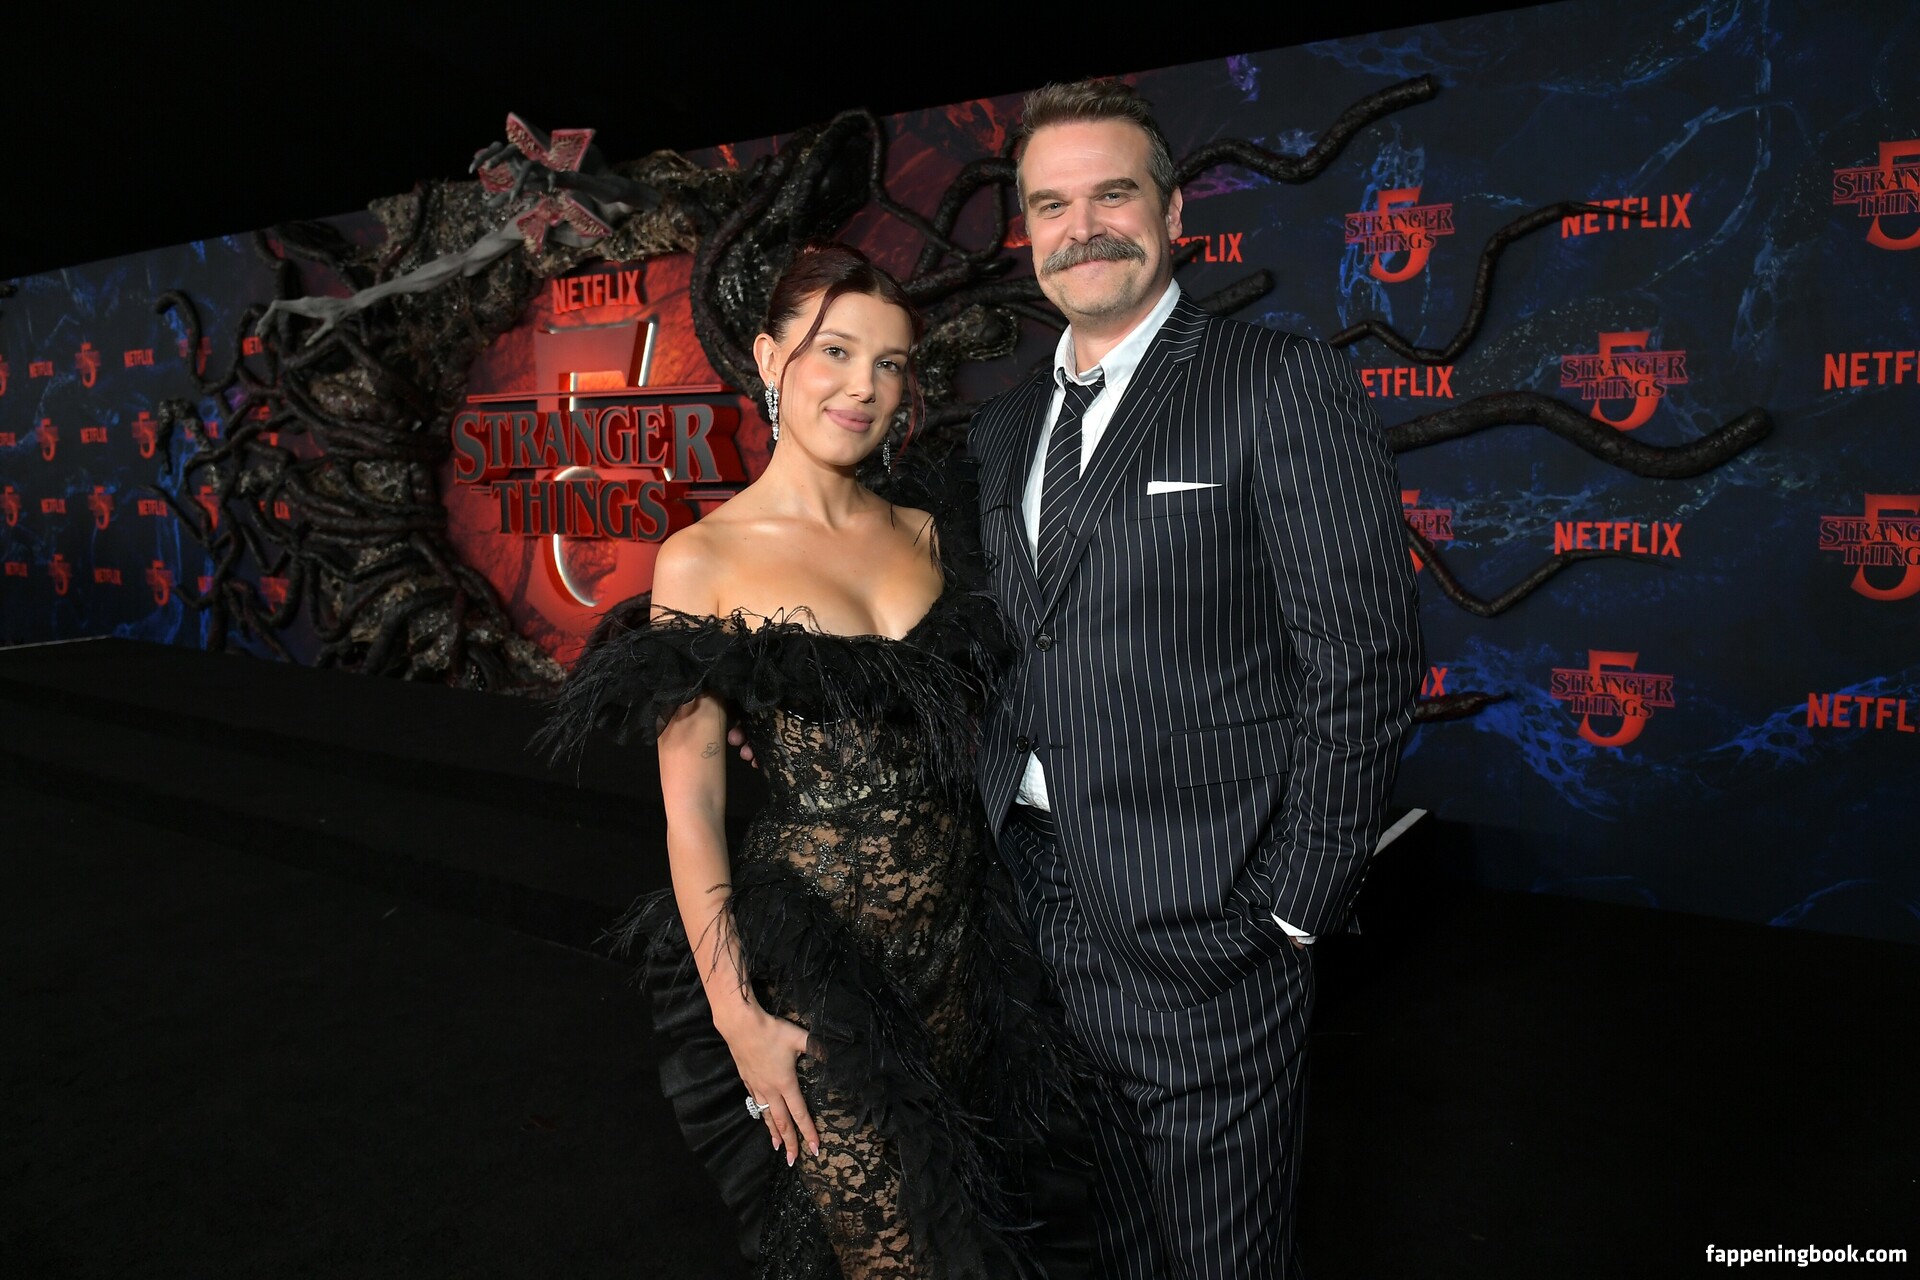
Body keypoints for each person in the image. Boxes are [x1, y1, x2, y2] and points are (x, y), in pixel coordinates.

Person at [543, 243, 1080, 1278]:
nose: (863, 386)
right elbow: (692, 811)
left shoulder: (937, 533)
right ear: (767, 358)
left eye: (890, 363)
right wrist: (738, 1019)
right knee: (897, 1256)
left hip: (968, 947)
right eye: (835, 350)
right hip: (820, 965)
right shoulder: (702, 558)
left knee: (977, 1222)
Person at [966, 80, 1423, 1278]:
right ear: (1026, 231)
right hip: (1038, 896)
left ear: (1173, 214)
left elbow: (1365, 656)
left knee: (1222, 1251)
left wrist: (1297, 896)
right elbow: (1007, 641)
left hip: (1211, 906)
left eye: (1112, 193)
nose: (1083, 228)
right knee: (1112, 1232)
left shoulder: (1274, 380)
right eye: (1050, 205)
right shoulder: (1001, 429)